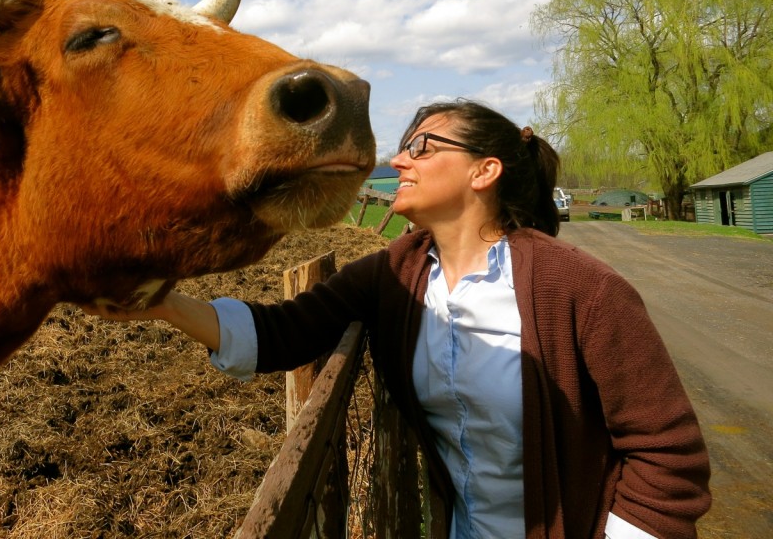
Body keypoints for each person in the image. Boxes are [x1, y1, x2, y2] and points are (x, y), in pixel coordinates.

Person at [84, 99, 711, 539]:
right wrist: (162, 300)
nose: (400, 160)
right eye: (403, 147)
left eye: (422, 147)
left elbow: (668, 455)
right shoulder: (393, 274)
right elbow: (279, 334)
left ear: (483, 172)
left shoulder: (582, 289)